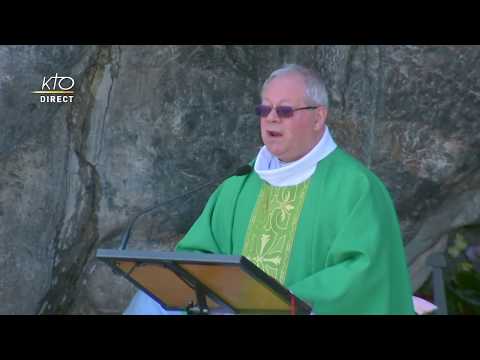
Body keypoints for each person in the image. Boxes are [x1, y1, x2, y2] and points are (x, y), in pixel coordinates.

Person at [124, 64, 415, 315]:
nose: (271, 117)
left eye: (285, 110)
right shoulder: (240, 185)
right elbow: (197, 257)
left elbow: (364, 275)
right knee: (149, 303)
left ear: (318, 117)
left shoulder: (355, 187)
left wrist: (276, 300)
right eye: (265, 108)